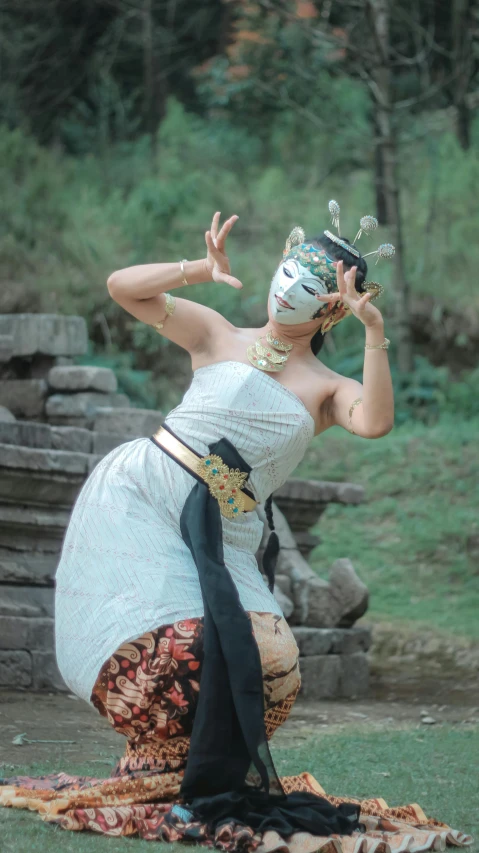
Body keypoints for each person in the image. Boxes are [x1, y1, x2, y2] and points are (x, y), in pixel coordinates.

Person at [0, 206, 471, 852]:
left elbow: (376, 421)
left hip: (229, 527)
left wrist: (373, 332)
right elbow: (121, 286)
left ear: (330, 309)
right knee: (175, 638)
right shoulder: (216, 334)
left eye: (310, 284)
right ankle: (157, 756)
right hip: (148, 497)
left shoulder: (327, 389)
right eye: (287, 271)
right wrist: (201, 268)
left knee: (273, 663)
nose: (288, 288)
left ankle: (197, 766)